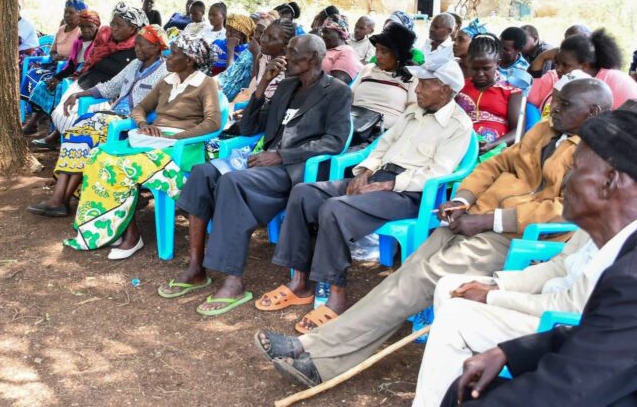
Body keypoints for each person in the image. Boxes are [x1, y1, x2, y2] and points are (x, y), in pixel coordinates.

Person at [254, 78, 614, 388]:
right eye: (556, 101)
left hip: (516, 237)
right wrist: (462, 199)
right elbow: (497, 163)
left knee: (417, 281)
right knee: (406, 275)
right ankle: (319, 349)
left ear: (594, 112)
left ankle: (317, 355)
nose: (554, 109)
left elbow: (562, 210)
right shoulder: (546, 129)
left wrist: (490, 221)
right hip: (474, 216)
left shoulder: (599, 155)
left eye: (565, 105)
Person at [440, 103, 637, 407]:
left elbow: (565, 391)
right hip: (633, 391)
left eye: (576, 168)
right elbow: (599, 335)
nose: (566, 181)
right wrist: (509, 352)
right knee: (461, 392)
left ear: (610, 181)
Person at [263, 57, 473, 333]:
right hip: (378, 178)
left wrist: (388, 185)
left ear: (445, 89)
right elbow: (382, 146)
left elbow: (437, 173)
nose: (417, 89)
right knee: (303, 193)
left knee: (335, 208)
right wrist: (365, 172)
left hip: (410, 194)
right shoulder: (413, 112)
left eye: (425, 84)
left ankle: (336, 297)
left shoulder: (458, 126)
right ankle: (299, 284)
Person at [159, 35, 351, 315]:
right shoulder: (286, 86)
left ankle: (233, 281)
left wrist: (282, 155)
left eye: (291, 52)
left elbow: (335, 141)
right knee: (202, 173)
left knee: (232, 182)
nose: (284, 56)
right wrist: (261, 86)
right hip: (263, 163)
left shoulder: (336, 91)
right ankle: (196, 268)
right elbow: (250, 128)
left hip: (292, 170)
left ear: (312, 58)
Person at [63, 35, 221, 259]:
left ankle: (132, 237)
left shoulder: (206, 83)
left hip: (182, 148)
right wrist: (143, 125)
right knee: (98, 156)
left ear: (189, 60)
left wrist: (177, 138)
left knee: (120, 165)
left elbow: (213, 123)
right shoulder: (167, 81)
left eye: (174, 53)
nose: (168, 56)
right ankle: (113, 228)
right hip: (154, 142)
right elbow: (139, 108)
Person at [28, 25, 170, 217]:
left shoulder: (164, 72)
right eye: (135, 44)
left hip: (129, 124)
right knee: (75, 133)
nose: (136, 48)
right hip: (111, 117)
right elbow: (110, 87)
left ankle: (60, 200)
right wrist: (80, 94)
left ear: (155, 47)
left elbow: (157, 109)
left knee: (85, 137)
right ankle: (59, 199)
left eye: (141, 45)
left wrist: (138, 120)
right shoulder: (134, 65)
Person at [28, 6, 141, 148]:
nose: (114, 28)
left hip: (106, 92)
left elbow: (126, 80)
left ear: (132, 28)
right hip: (86, 82)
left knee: (74, 118)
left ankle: (74, 144)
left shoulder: (137, 50)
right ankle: (69, 141)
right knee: (61, 112)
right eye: (113, 23)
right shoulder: (105, 40)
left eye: (119, 25)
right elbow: (86, 64)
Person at [528, 29, 637, 113]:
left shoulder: (613, 79)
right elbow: (532, 98)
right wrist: (542, 57)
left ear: (585, 66)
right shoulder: (559, 77)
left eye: (565, 65)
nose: (558, 69)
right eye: (557, 63)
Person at [21, 10, 101, 135]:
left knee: (59, 90)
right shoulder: (79, 42)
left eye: (90, 26)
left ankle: (57, 132)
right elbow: (71, 65)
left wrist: (71, 78)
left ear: (97, 26)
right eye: (82, 26)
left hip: (89, 78)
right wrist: (57, 77)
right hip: (75, 74)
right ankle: (36, 123)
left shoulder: (100, 44)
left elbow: (94, 68)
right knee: (45, 85)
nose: (86, 30)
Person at [456, 34, 523, 154]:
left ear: (498, 63)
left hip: (496, 151)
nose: (480, 73)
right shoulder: (460, 87)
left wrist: (492, 145)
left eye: (486, 68)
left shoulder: (511, 91)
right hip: (459, 145)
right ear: (468, 63)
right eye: (475, 68)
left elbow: (518, 130)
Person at [349, 22, 416, 132]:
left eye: (384, 52)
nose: (378, 56)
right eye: (377, 49)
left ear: (398, 55)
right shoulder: (368, 69)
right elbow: (348, 97)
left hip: (385, 131)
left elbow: (412, 111)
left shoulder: (412, 77)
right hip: (353, 124)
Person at [216, 14, 257, 100]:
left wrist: (231, 49)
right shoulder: (218, 44)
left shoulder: (247, 52)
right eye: (227, 30)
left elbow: (230, 76)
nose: (228, 34)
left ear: (243, 34)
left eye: (233, 31)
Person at [317, 14, 363, 83]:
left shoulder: (347, 52)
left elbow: (337, 84)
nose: (323, 36)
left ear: (340, 34)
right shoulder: (324, 48)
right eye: (322, 32)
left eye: (327, 32)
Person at [497, 27, 533, 91]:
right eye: (499, 46)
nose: (500, 51)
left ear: (519, 49)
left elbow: (523, 94)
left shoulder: (524, 71)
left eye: (505, 49)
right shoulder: (491, 58)